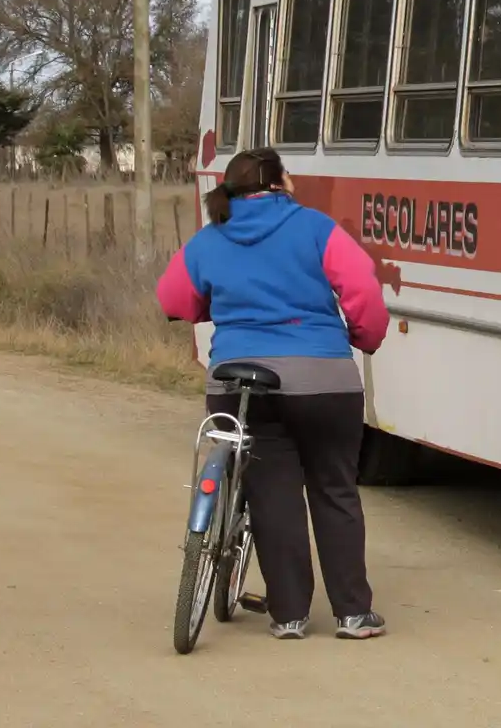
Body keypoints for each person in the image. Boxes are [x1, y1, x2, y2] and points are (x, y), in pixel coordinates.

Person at [157, 148, 390, 641]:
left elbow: (174, 300)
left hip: (240, 381)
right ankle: (353, 614)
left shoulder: (209, 239)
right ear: (282, 181)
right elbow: (364, 295)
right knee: (334, 488)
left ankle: (288, 616)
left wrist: (216, 308)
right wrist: (365, 339)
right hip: (323, 380)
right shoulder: (317, 228)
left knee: (272, 493)